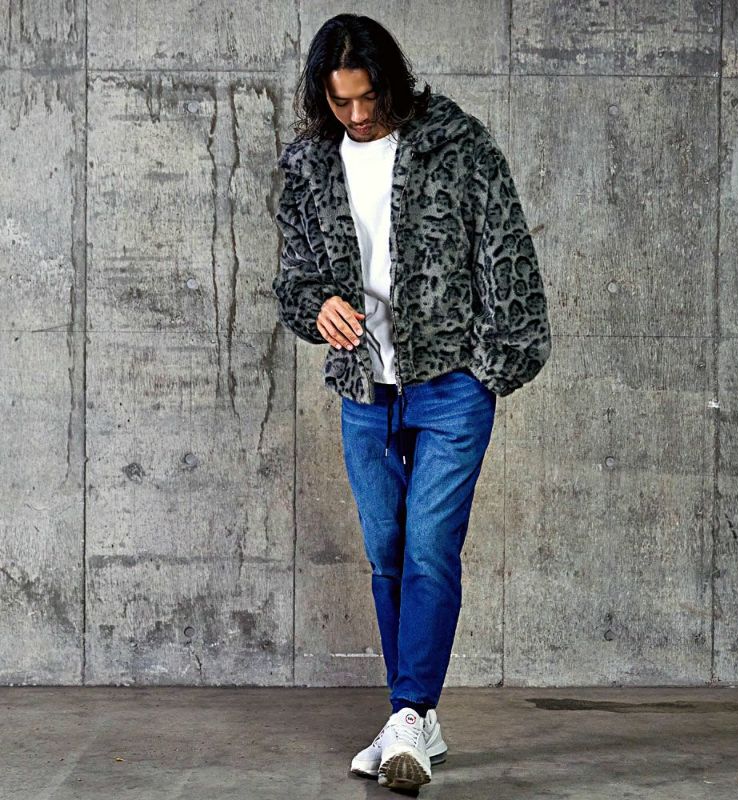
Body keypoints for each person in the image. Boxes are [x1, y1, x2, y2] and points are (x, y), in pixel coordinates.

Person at [272, 13, 551, 791]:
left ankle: (408, 713)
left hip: (452, 387)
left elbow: (510, 259)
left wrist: (489, 370)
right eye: (341, 102)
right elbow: (294, 281)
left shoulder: (456, 146)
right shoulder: (309, 165)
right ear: (322, 98)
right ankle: (415, 723)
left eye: (369, 98)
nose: (358, 115)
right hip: (364, 389)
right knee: (388, 551)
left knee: (430, 547)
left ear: (391, 83)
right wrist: (318, 307)